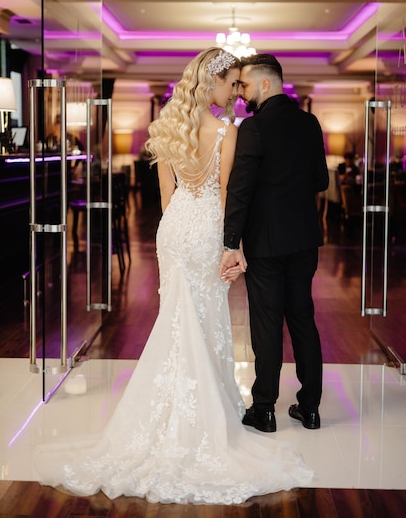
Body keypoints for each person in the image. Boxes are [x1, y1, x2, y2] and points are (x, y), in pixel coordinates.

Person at [34, 48, 313, 504]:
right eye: (230, 84)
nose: (235, 95)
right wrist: (231, 244)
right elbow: (226, 191)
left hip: (174, 228)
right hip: (206, 227)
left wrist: (176, 233)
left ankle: (169, 409)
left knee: (177, 317)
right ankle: (206, 412)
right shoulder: (229, 130)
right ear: (213, 84)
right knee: (203, 316)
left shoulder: (165, 129)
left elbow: (166, 195)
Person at [220, 53, 329, 434]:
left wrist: (230, 240)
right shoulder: (310, 123)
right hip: (303, 239)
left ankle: (264, 409)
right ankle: (310, 408)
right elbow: (321, 181)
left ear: (265, 84)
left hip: (265, 241)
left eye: (245, 85)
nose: (241, 93)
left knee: (266, 323)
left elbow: (240, 190)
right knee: (302, 319)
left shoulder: (253, 128)